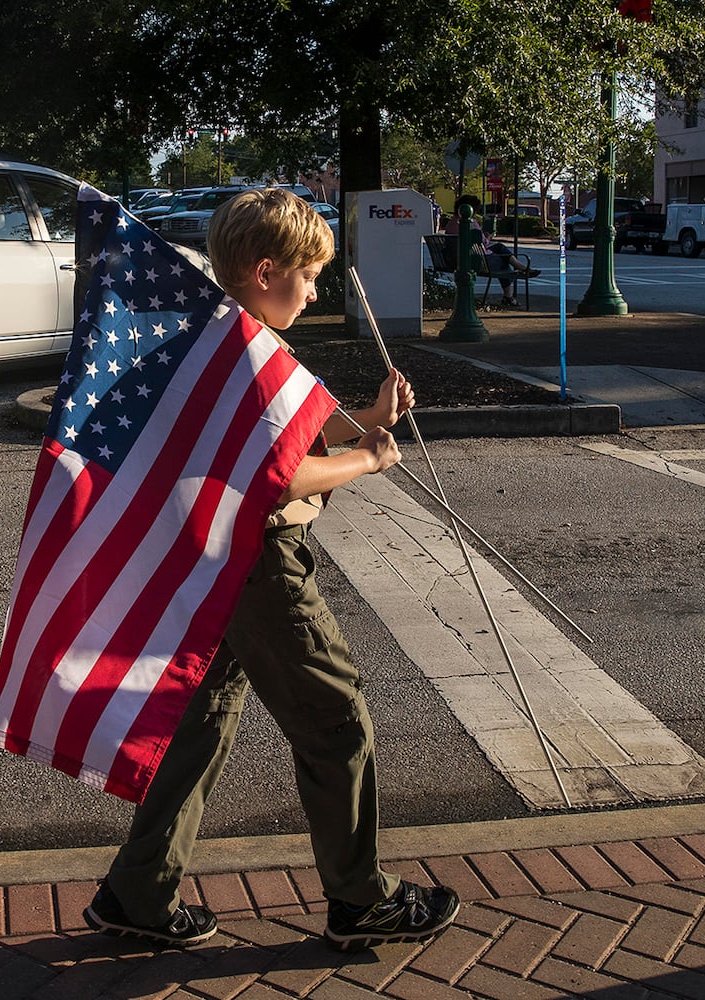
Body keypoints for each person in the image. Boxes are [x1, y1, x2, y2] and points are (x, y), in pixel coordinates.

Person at [83, 188, 459, 952]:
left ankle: (138, 891)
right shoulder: (250, 353)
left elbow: (292, 429)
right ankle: (361, 900)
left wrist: (371, 413)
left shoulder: (223, 336)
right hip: (260, 563)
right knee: (335, 718)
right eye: (309, 276)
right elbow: (278, 477)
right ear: (264, 270)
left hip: (219, 560)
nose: (316, 291)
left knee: (203, 720)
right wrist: (366, 457)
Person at [445, 194, 540, 307]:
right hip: (477, 260)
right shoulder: (470, 223)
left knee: (500, 248)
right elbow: (482, 242)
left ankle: (520, 268)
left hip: (458, 258)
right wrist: (488, 237)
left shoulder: (451, 223)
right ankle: (509, 295)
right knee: (504, 261)